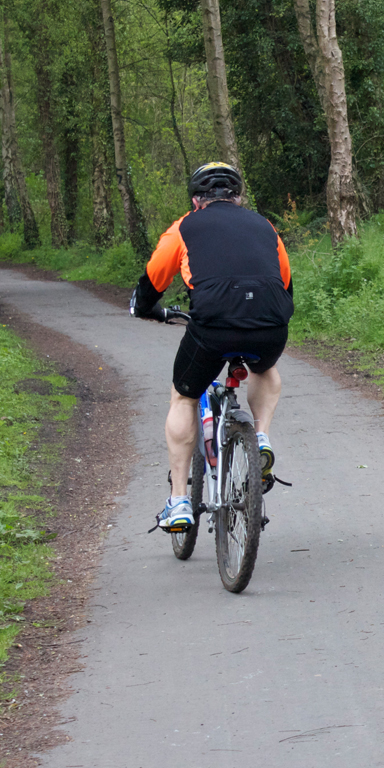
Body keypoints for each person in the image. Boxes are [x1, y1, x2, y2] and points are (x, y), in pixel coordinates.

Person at [129, 162, 293, 531]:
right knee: (265, 370)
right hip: (270, 324)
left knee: (184, 396)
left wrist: (144, 308)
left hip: (213, 328)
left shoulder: (184, 226)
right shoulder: (265, 226)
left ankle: (179, 501)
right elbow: (284, 281)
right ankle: (261, 435)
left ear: (195, 199)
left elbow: (155, 276)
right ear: (238, 198)